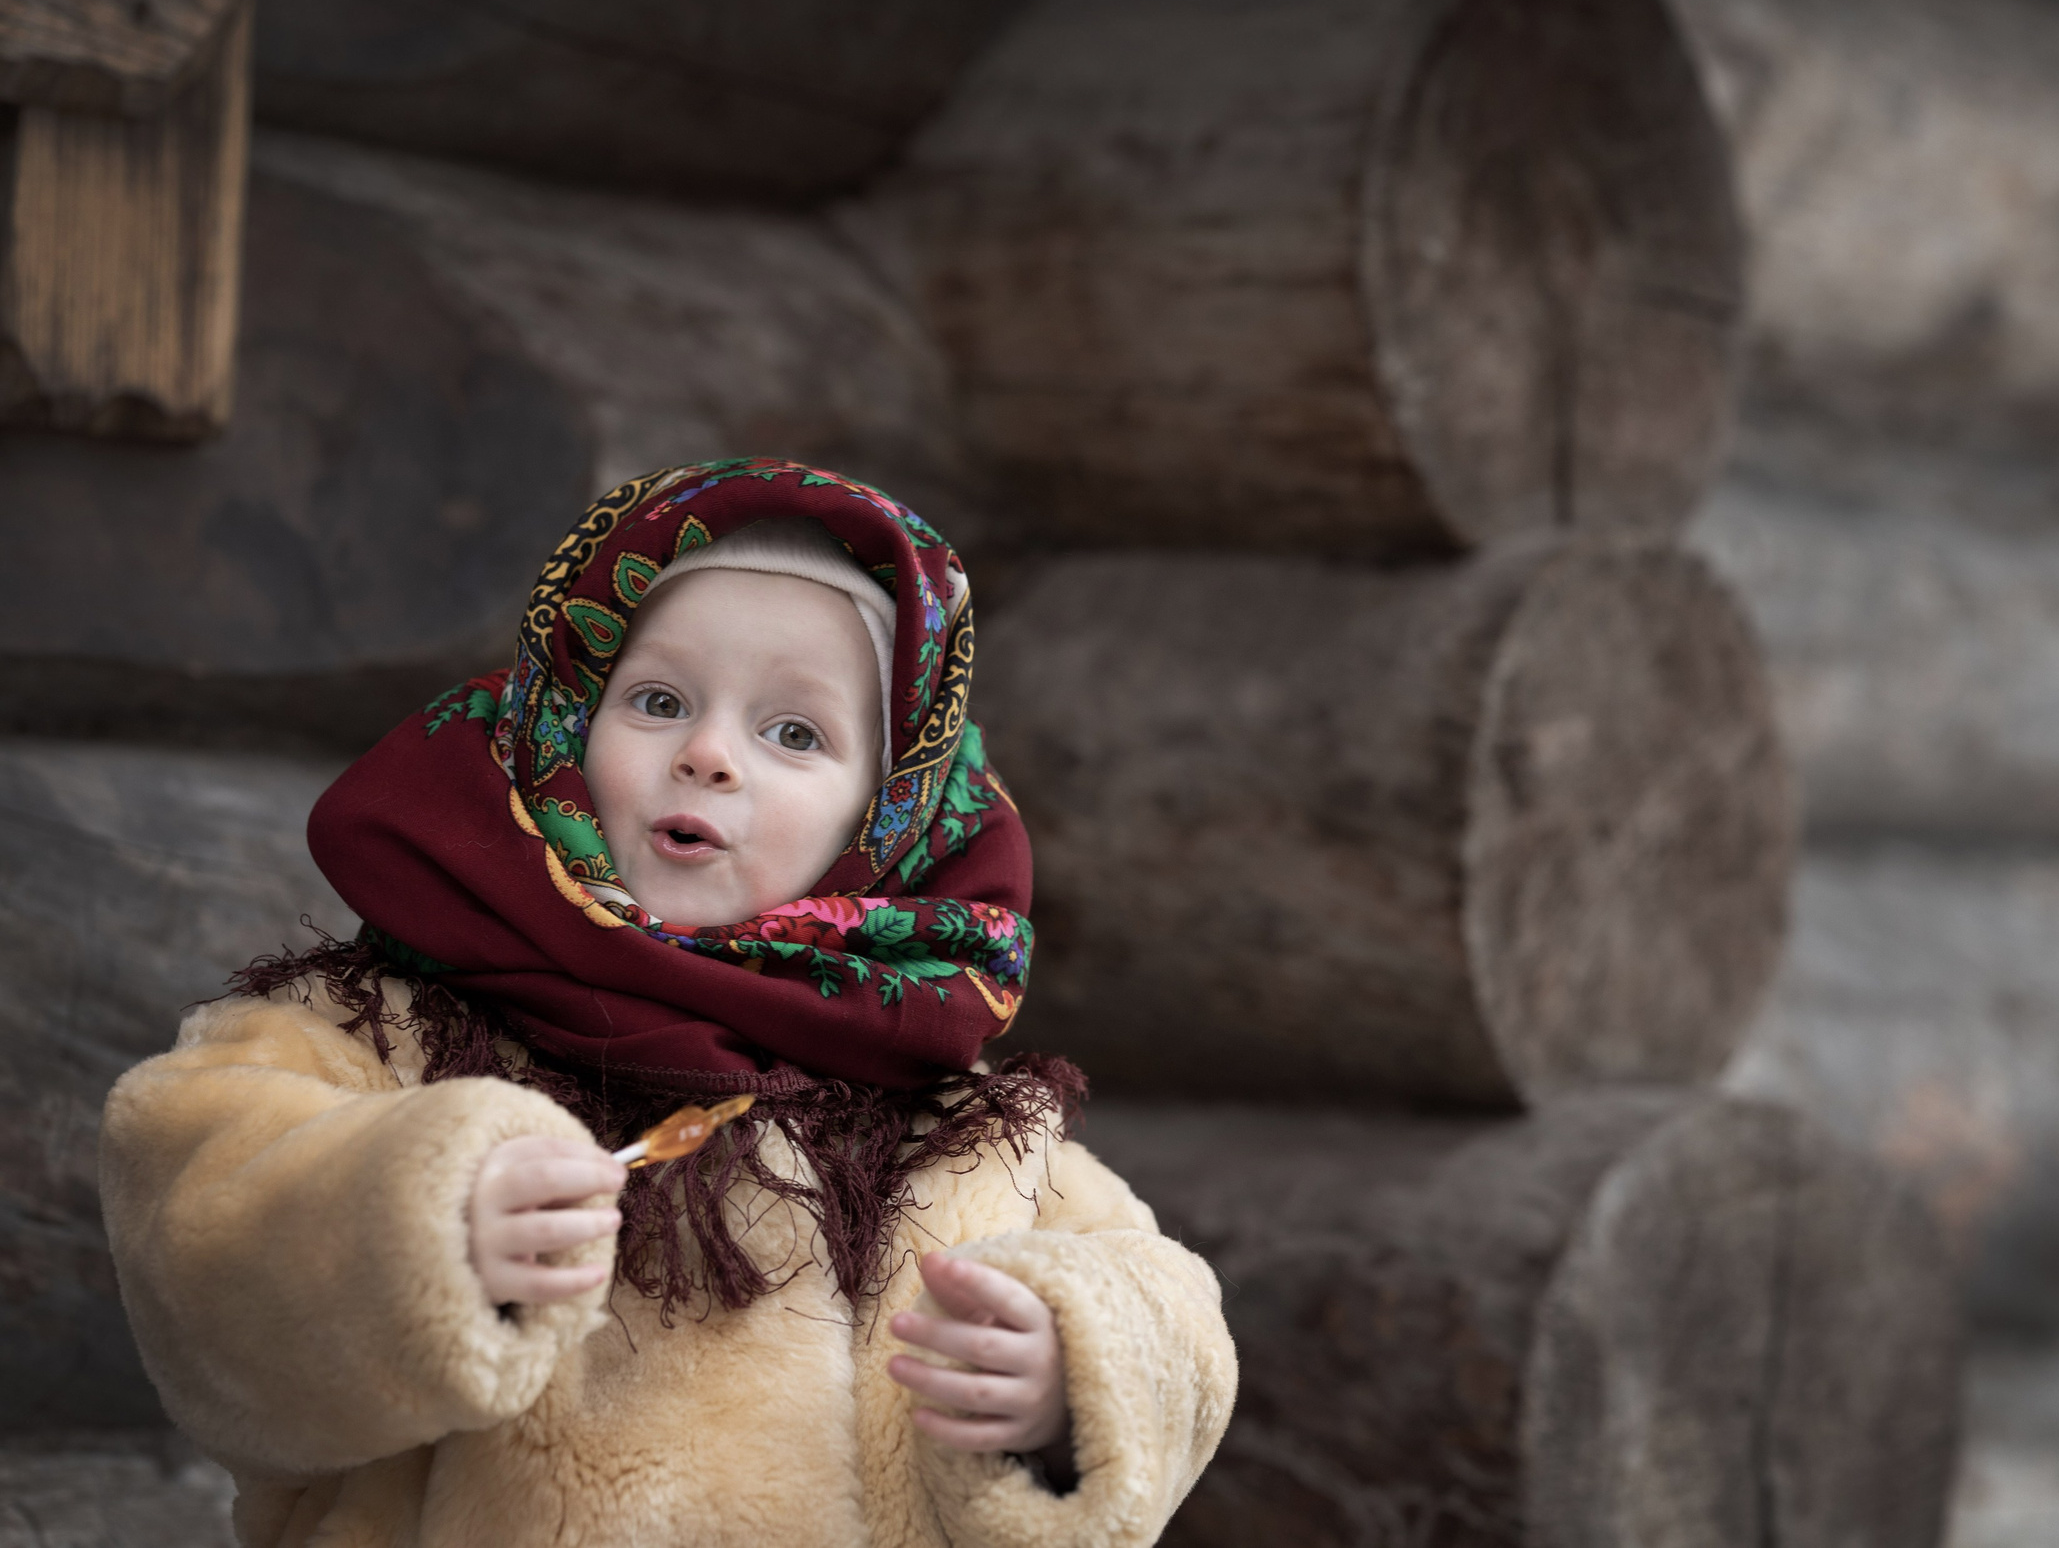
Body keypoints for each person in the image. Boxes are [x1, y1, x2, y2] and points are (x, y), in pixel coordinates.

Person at [98, 459, 1236, 1548]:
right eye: (656, 699)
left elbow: (1164, 1313)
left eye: (794, 732)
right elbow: (197, 1214)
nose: (708, 753)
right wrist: (414, 1221)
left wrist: (1070, 1379)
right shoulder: (386, 1025)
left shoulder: (947, 1118)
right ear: (561, 721)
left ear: (884, 814)